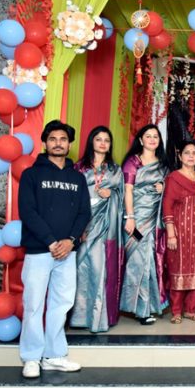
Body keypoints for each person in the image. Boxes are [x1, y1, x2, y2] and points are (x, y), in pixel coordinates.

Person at [18, 120, 90, 378]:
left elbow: (84, 213)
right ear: (45, 142)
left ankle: (54, 355)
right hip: (40, 250)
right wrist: (51, 241)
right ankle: (31, 358)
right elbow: (28, 211)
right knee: (34, 304)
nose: (58, 143)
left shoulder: (77, 178)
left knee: (61, 304)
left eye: (63, 139)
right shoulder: (31, 175)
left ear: (69, 144)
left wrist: (71, 240)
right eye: (53, 139)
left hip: (67, 252)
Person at [70, 126, 124, 333]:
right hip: (83, 224)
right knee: (81, 268)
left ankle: (99, 317)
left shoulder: (115, 170)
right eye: (98, 139)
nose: (103, 143)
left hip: (106, 225)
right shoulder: (79, 168)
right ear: (91, 142)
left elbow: (123, 196)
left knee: (100, 268)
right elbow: (72, 199)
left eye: (106, 140)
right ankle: (79, 316)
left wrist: (112, 194)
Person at [119, 124, 169, 325]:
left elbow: (171, 191)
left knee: (151, 261)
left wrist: (163, 187)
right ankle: (140, 308)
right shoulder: (134, 162)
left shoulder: (163, 165)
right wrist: (129, 217)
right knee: (138, 261)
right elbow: (127, 190)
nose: (152, 139)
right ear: (140, 140)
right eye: (148, 136)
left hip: (154, 222)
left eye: (155, 136)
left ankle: (146, 307)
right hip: (137, 223)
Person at [162, 141, 195, 324]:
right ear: (180, 156)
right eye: (187, 153)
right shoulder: (174, 178)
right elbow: (167, 206)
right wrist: (171, 233)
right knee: (178, 269)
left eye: (194, 153)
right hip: (180, 231)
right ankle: (176, 311)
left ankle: (191, 310)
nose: (191, 156)